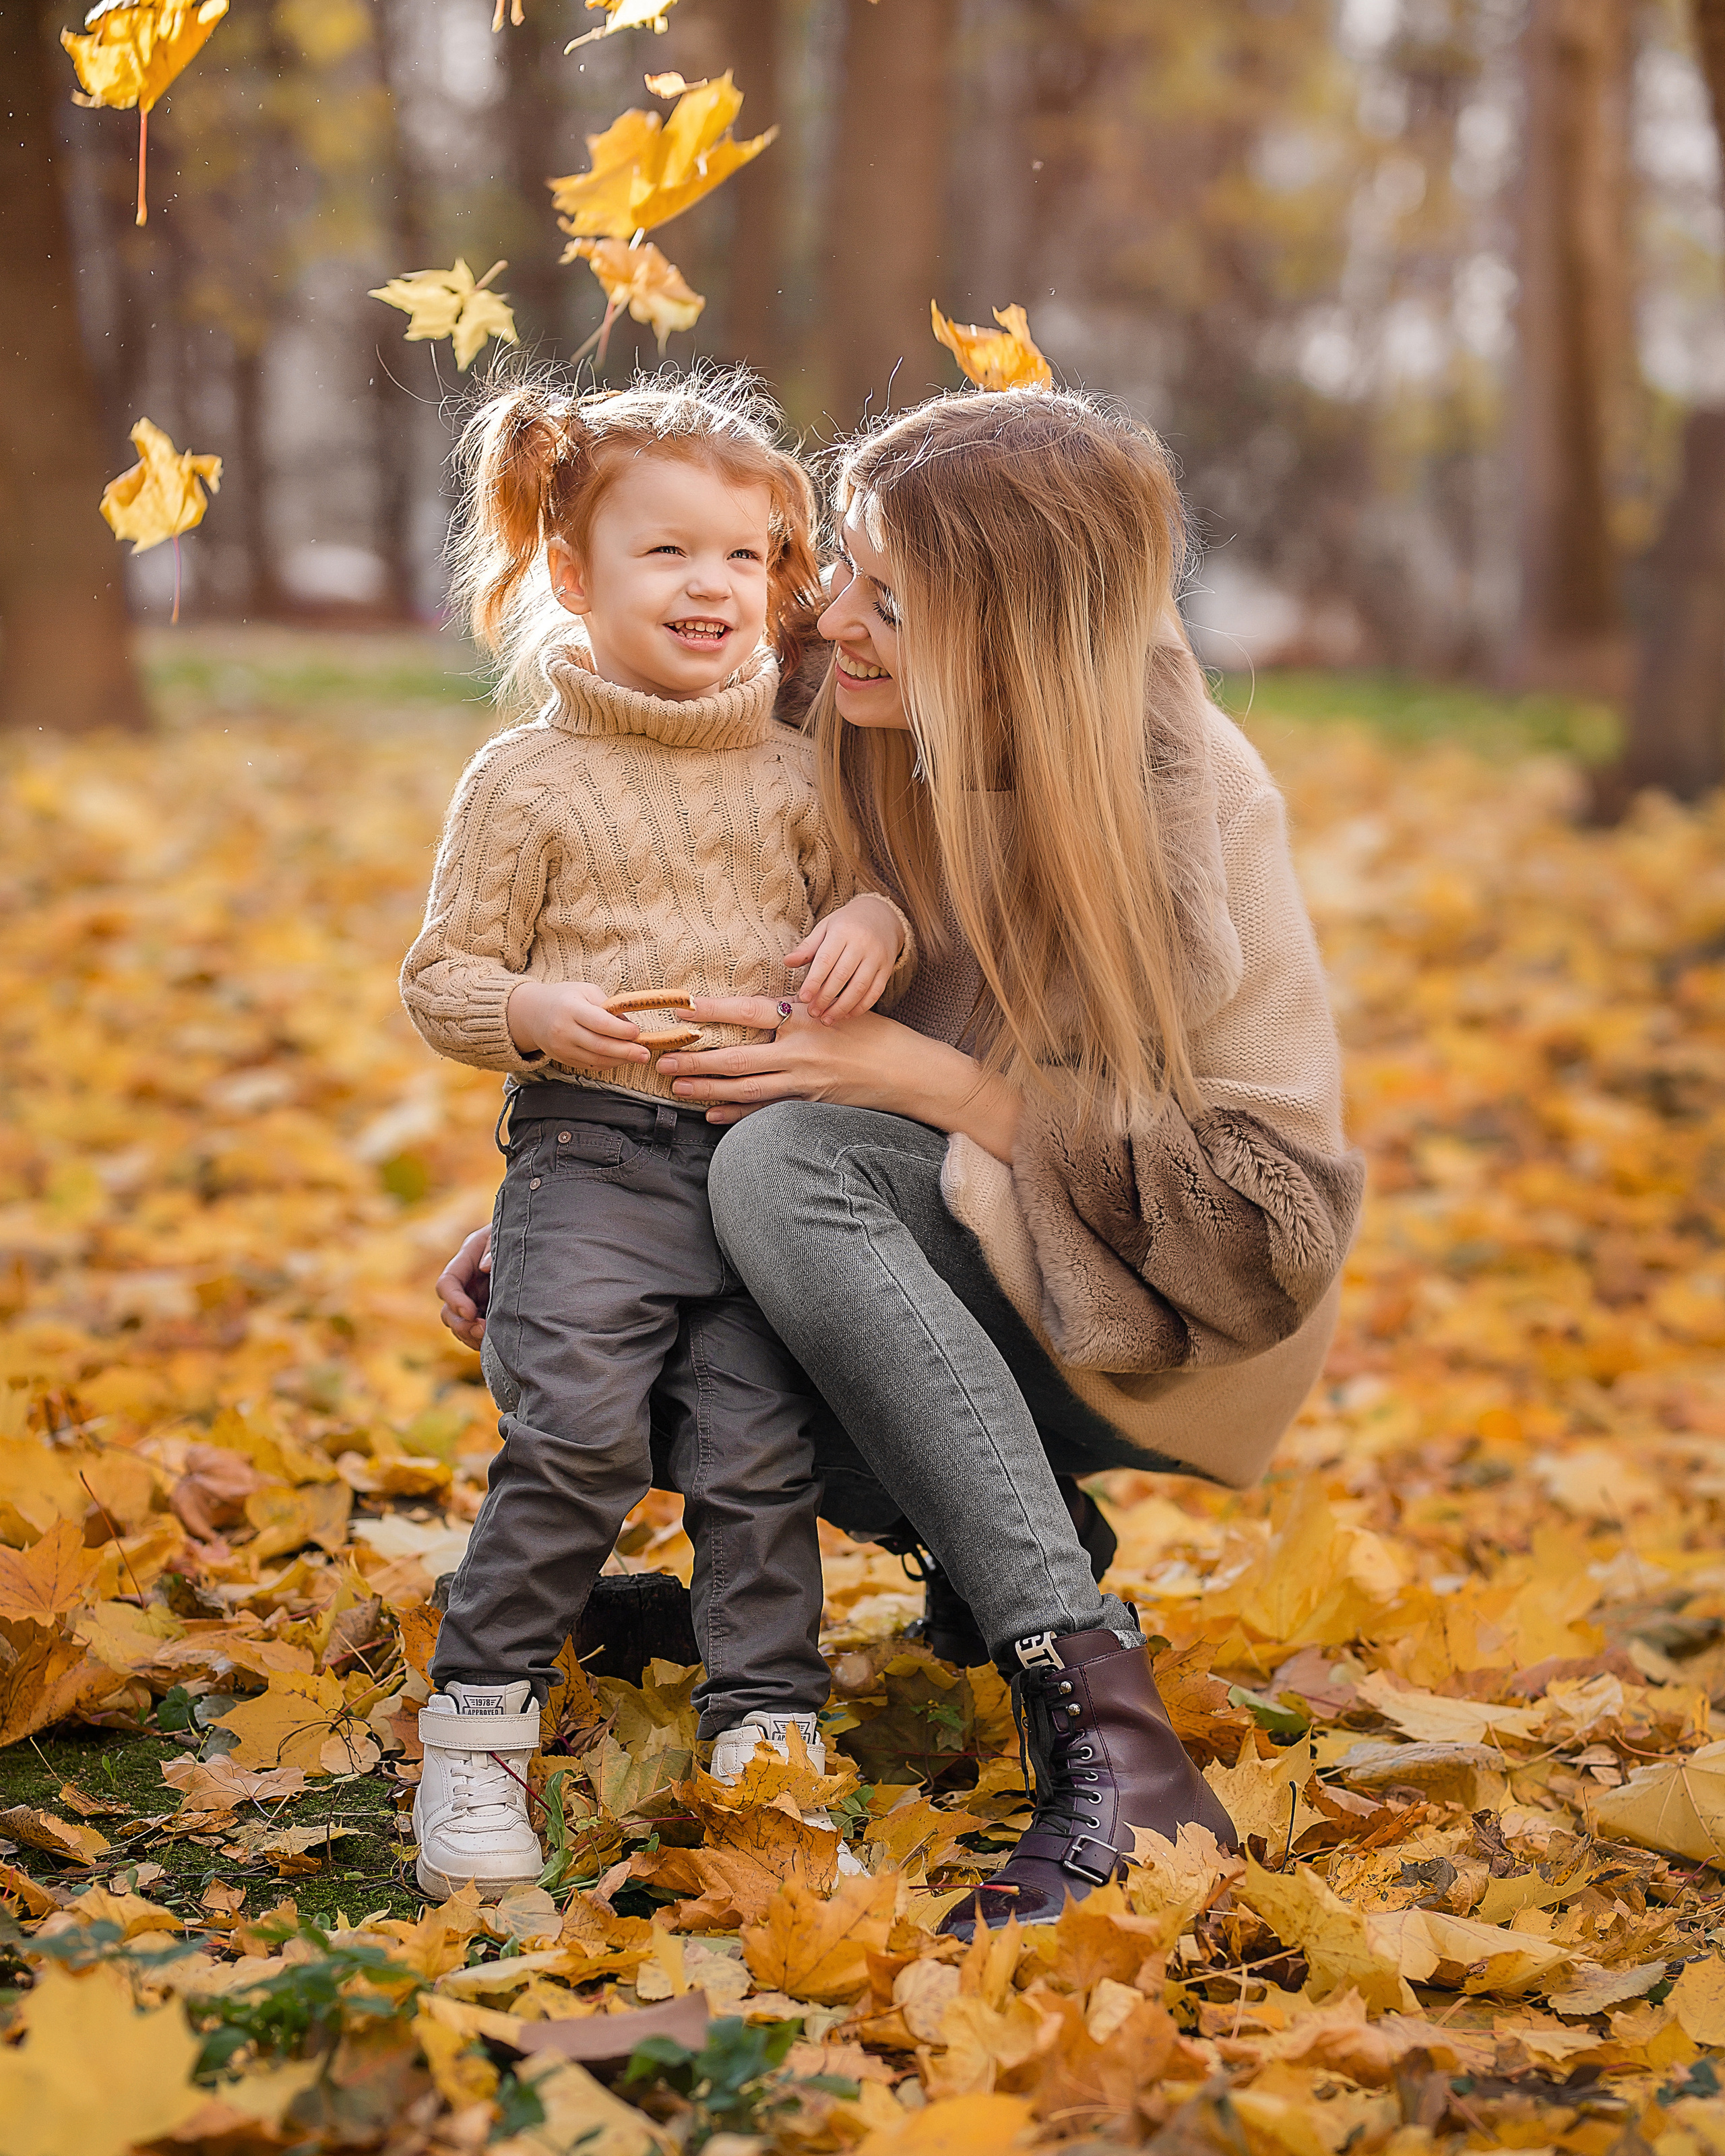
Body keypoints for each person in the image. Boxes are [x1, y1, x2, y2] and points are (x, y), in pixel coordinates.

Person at [438, 386, 1363, 1934]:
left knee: (784, 1169)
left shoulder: (1181, 800)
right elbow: (685, 959)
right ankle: (975, 1551)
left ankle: (1111, 1743)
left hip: (1141, 1309)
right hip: (912, 1227)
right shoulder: (832, 704)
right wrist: (548, 1186)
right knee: (589, 1285)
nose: (829, 618)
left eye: (886, 599)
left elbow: (1249, 1233)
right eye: (840, 569)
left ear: (1005, 629)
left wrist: (927, 1080)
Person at [400, 369, 910, 1901]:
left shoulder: (791, 768)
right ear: (572, 574)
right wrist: (538, 1011)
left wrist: (877, 917)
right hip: (588, 1157)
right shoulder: (526, 780)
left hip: (759, 1166)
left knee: (756, 1458)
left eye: (744, 557)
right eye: (667, 553)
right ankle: (476, 1726)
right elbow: (442, 976)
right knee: (575, 1439)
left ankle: (765, 1733)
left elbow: (858, 901)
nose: (712, 586)